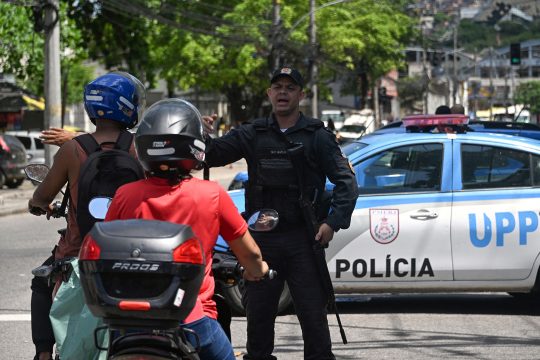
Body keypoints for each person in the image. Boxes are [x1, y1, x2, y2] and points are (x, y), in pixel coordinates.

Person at [202, 66, 359, 360]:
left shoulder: (317, 136)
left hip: (303, 238)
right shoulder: (252, 133)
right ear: (269, 93)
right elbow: (212, 154)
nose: (283, 92)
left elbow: (346, 182)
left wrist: (331, 223)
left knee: (313, 318)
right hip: (262, 242)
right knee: (258, 318)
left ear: (301, 94)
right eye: (278, 87)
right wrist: (203, 134)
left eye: (290, 87)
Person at [103, 98, 270, 360]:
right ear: (194, 146)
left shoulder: (125, 195)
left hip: (129, 323)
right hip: (191, 319)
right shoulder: (211, 195)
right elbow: (251, 255)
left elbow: (106, 251)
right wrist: (258, 271)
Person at [27, 71, 145, 360]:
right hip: (133, 251)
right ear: (127, 107)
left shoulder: (72, 149)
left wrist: (39, 204)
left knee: (41, 284)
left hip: (79, 252)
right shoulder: (139, 147)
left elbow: (42, 197)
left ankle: (43, 354)